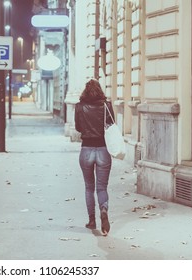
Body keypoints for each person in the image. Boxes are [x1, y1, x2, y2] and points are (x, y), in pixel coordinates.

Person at [74, 79, 115, 236]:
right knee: (102, 187)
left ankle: (92, 220)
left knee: (89, 187)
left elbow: (78, 127)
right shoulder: (106, 105)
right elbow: (111, 126)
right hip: (103, 149)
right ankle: (103, 210)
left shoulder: (79, 107)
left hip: (86, 150)